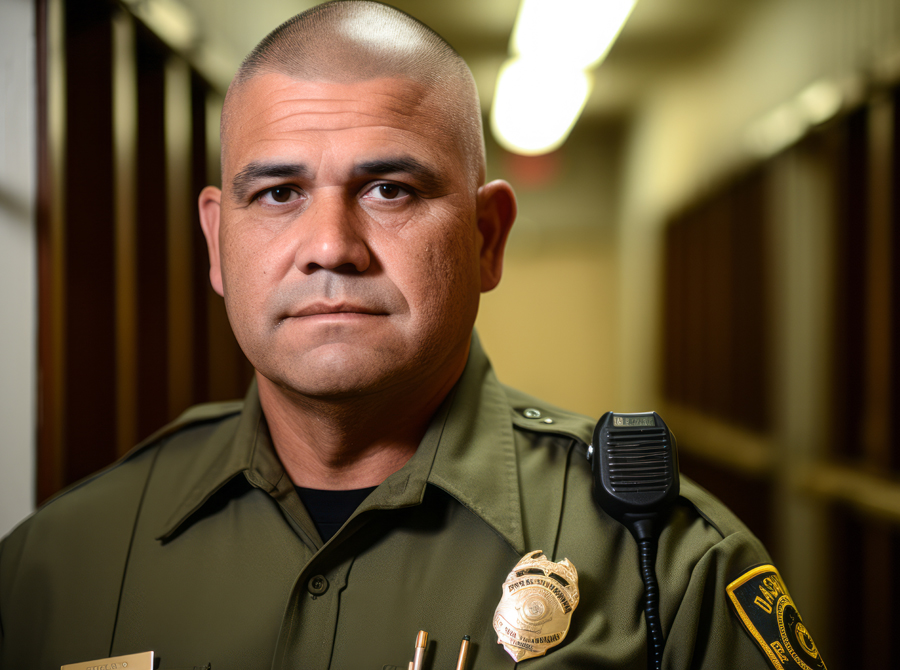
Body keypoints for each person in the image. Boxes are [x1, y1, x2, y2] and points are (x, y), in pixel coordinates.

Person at [0, 2, 824, 669]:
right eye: (280, 193)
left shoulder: (669, 567)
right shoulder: (61, 563)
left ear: (486, 238)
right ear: (219, 242)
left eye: (389, 188)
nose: (330, 245)